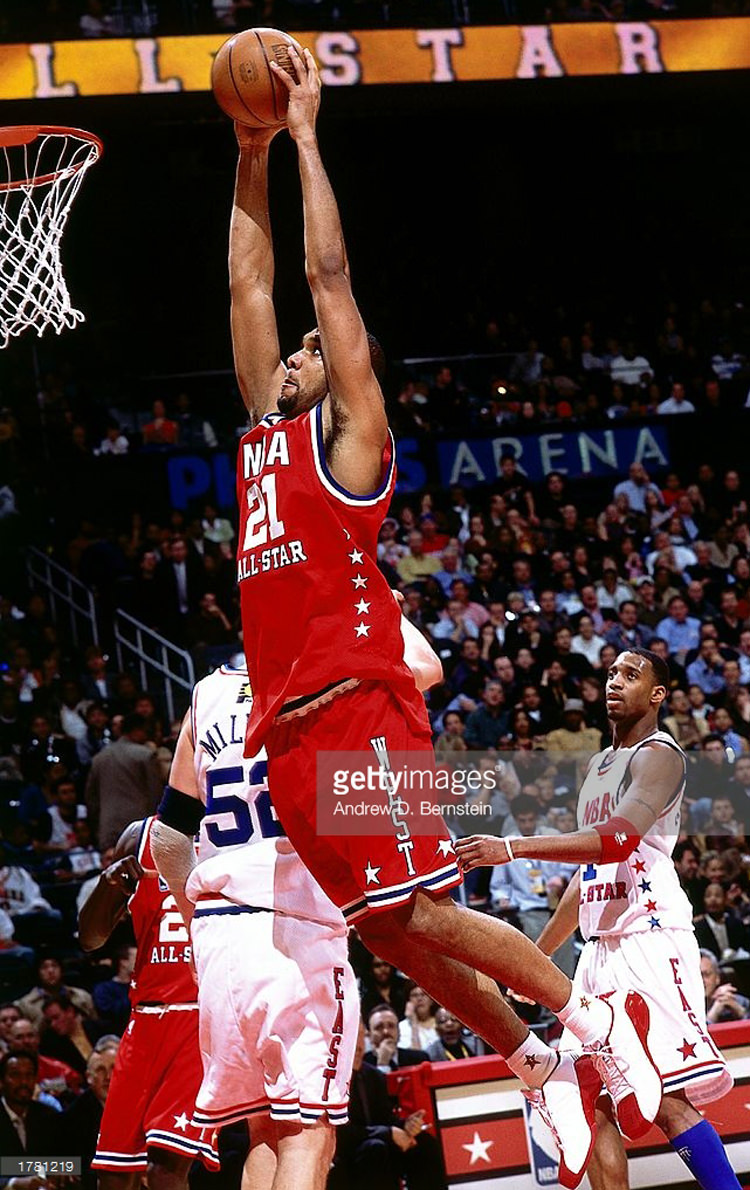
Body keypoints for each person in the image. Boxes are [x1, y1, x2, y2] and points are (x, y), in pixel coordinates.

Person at [222, 46, 661, 1190]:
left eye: (323, 353)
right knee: (388, 930)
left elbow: (322, 281)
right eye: (301, 356)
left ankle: (585, 1023)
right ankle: (528, 1055)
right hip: (291, 732)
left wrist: (308, 140)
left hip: (363, 702)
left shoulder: (349, 444)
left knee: (419, 904)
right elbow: (248, 290)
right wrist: (246, 150)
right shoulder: (260, 434)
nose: (305, 351)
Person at [457, 647, 741, 1190]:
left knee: (665, 1098)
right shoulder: (597, 765)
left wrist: (512, 848)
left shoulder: (661, 756)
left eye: (630, 675)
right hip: (598, 948)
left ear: (657, 695)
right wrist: (535, 959)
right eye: (611, 673)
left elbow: (616, 840)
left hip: (648, 935)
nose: (614, 681)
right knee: (597, 1101)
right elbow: (588, 873)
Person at [150, 658, 362, 1190]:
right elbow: (425, 667)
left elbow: (169, 837)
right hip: (294, 930)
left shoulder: (205, 694)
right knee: (309, 1134)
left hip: (220, 935)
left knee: (266, 1130)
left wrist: (200, 924)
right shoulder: (328, 670)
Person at [78, 819, 220, 1186]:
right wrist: (108, 886)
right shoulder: (139, 836)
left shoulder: (242, 826)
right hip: (144, 1018)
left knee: (164, 1171)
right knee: (112, 1176)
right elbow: (90, 938)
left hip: (201, 1015)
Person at [328, 1022, 446, 1190]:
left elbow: (385, 1118)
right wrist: (388, 1132)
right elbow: (340, 1132)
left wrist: (405, 1126)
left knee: (424, 1143)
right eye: (351, 1036)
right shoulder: (329, 1080)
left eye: (360, 1036)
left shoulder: (373, 1075)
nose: (358, 1045)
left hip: (374, 1142)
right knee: (375, 1148)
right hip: (344, 1151)